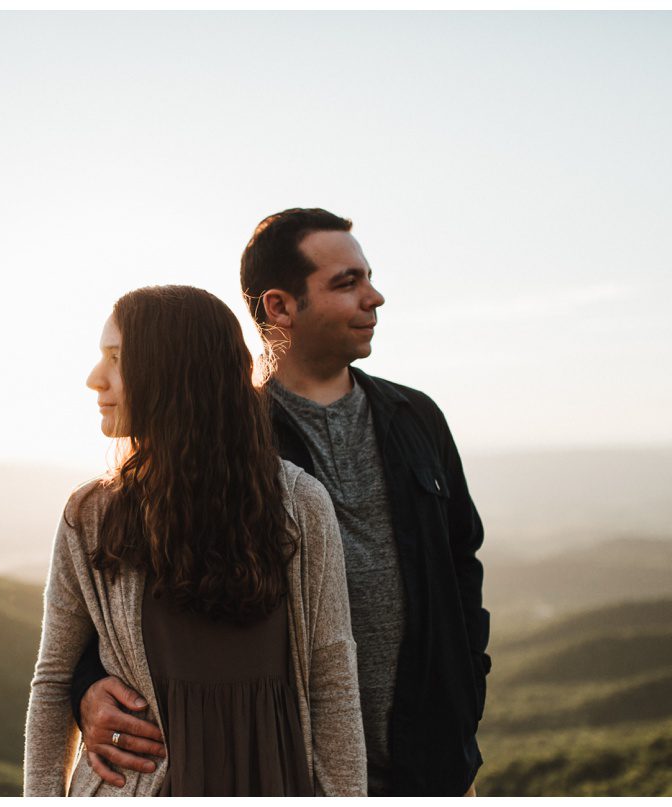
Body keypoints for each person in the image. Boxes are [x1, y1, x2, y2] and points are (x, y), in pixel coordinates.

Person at [70, 210, 490, 797]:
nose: (375, 297)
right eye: (347, 283)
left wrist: (466, 690)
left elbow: (461, 560)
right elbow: (124, 596)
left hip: (432, 764)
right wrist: (85, 685)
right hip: (290, 765)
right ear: (280, 307)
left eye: (368, 277)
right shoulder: (222, 441)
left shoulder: (416, 417)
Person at [23, 285, 367, 797]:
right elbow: (53, 682)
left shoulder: (299, 505)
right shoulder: (91, 514)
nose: (95, 379)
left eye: (117, 358)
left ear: (178, 372)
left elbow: (332, 684)